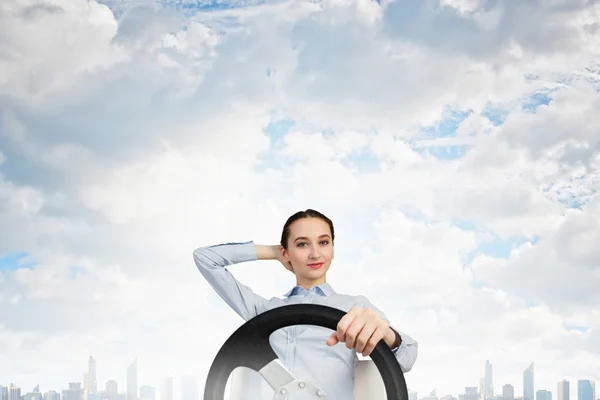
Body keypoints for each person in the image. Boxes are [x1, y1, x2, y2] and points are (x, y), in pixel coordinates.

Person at [193, 209, 418, 399]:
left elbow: (407, 358)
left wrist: (388, 335)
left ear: (332, 249)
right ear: (286, 252)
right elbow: (205, 259)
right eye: (302, 244)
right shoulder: (263, 311)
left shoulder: (355, 307)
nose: (315, 253)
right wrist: (273, 252)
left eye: (323, 242)